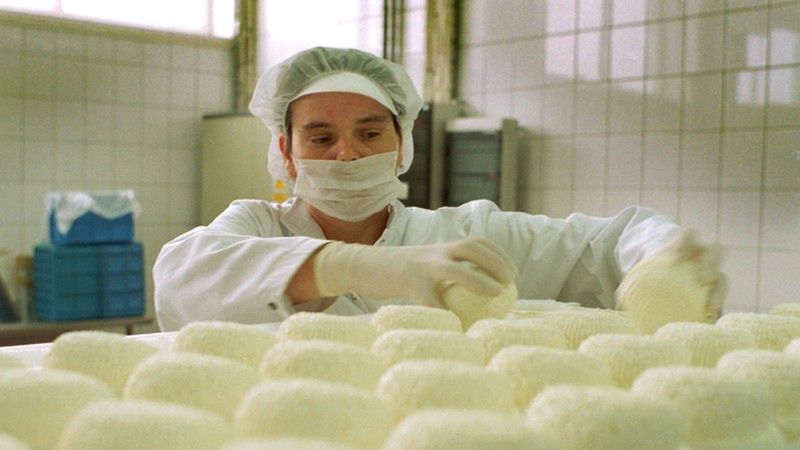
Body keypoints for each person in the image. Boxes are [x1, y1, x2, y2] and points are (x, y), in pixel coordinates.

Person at [153, 46, 725, 332]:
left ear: (402, 145)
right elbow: (181, 275)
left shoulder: (461, 236)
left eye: (370, 133)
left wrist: (663, 258)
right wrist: (358, 267)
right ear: (285, 152)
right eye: (321, 137)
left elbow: (606, 242)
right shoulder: (256, 226)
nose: (347, 154)